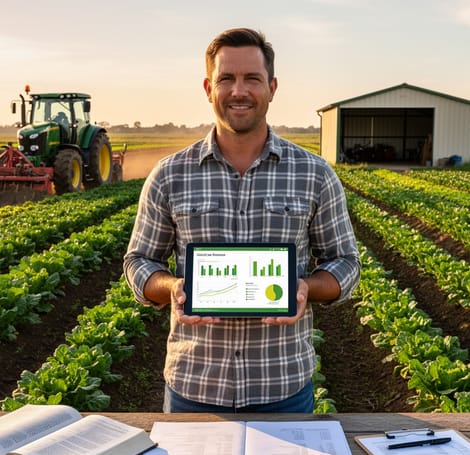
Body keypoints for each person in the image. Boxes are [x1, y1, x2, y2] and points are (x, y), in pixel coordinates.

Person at [123, 27, 359, 413]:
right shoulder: (169, 175)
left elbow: (346, 263)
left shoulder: (314, 174)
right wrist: (174, 288)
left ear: (272, 87)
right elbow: (137, 262)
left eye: (252, 78)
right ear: (208, 87)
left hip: (282, 387)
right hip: (194, 387)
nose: (239, 91)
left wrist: (303, 288)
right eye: (226, 79)